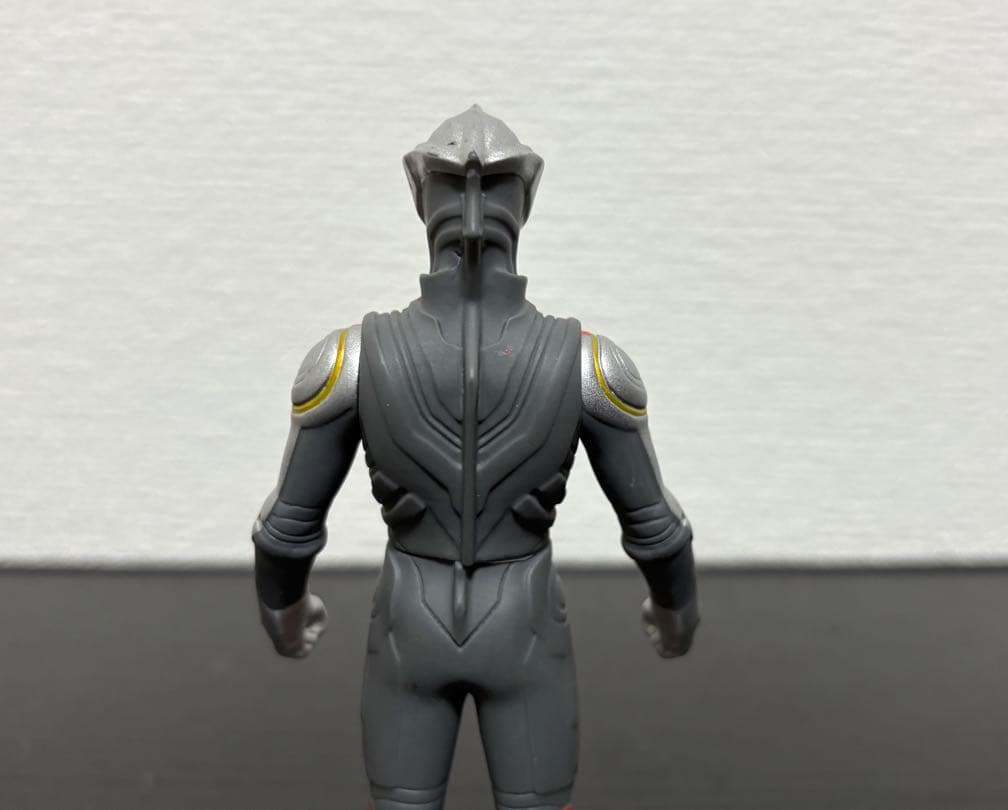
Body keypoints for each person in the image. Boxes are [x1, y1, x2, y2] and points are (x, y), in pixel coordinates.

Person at [252, 105, 700, 810]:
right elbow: (657, 529)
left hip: (409, 617)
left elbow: (286, 529)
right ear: (524, 201)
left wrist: (284, 615)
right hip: (524, 619)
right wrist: (676, 616)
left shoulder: (348, 361)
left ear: (419, 196)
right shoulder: (590, 365)